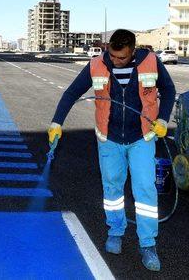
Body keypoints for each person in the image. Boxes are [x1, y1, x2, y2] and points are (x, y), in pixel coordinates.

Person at [47, 29, 176, 272]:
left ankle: (147, 244)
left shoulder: (150, 61)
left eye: (122, 58)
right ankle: (115, 231)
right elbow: (72, 93)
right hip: (109, 138)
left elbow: (169, 90)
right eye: (112, 56)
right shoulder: (97, 64)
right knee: (112, 189)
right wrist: (56, 122)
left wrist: (163, 119)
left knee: (145, 190)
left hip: (142, 136)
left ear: (133, 52)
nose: (115, 62)